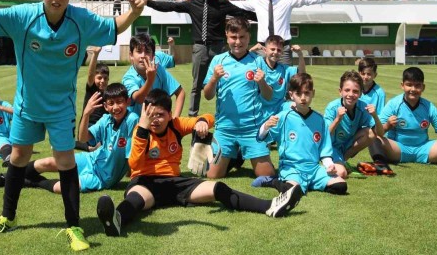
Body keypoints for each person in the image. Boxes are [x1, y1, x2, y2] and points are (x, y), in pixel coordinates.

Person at [0, 0, 145, 251]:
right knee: (19, 156)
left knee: (65, 162)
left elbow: (116, 26)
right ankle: (6, 218)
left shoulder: (81, 20)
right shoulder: (24, 16)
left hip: (61, 107)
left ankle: (73, 227)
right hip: (27, 106)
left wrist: (135, 11)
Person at [94, 90, 302, 238]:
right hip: (145, 182)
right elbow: (134, 164)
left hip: (176, 184)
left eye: (160, 115)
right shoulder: (141, 131)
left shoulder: (176, 125)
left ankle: (270, 206)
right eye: (151, 115)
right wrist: (142, 129)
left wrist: (202, 121)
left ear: (169, 115)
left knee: (218, 188)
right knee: (136, 199)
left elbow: (209, 118)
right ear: (144, 114)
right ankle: (116, 219)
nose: (155, 120)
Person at [0, 84, 140, 194]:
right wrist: (86, 114)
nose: (115, 107)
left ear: (127, 102)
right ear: (105, 106)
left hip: (102, 177)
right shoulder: (106, 120)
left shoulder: (132, 119)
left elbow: (132, 157)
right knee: (47, 162)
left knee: (61, 188)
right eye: (111, 103)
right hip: (92, 159)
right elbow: (83, 138)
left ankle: (32, 182)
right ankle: (5, 178)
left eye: (120, 102)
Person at [145, 0, 256, 116]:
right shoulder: (193, 3)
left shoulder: (222, 3)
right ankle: (192, 116)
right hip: (199, 48)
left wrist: (266, 19)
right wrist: (148, 2)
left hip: (218, 48)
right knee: (196, 85)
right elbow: (170, 6)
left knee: (223, 82)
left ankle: (224, 113)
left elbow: (242, 13)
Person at [368, 67, 437, 179]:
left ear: (423, 87)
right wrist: (387, 125)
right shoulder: (393, 104)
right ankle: (381, 166)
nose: (413, 89)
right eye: (409, 85)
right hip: (398, 149)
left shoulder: (428, 107)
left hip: (423, 149)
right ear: (402, 85)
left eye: (417, 85)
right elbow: (379, 132)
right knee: (373, 137)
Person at [203, 17, 274, 179]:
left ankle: (239, 153)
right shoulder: (218, 60)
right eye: (233, 37)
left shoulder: (258, 61)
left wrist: (262, 81)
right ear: (227, 37)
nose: (238, 42)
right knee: (212, 176)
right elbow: (207, 96)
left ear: (249, 37)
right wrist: (214, 78)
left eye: (242, 37)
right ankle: (233, 157)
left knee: (267, 176)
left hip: (251, 128)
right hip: (225, 129)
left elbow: (268, 96)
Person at [258, 73, 347, 195]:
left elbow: (325, 151)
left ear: (313, 93)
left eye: (307, 93)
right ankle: (274, 181)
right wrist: (266, 126)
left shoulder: (320, 120)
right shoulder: (283, 117)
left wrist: (329, 165)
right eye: (298, 94)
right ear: (291, 95)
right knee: (292, 191)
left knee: (341, 186)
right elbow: (261, 137)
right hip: (292, 168)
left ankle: (309, 183)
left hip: (314, 169)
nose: (303, 98)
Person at [235, 0, 346, 64]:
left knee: (285, 83)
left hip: (282, 49)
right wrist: (218, 2)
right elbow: (236, 5)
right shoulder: (257, 1)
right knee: (261, 83)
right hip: (262, 49)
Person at [323, 71, 385, 178]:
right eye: (347, 90)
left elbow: (379, 133)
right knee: (341, 174)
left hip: (346, 145)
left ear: (361, 93)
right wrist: (337, 119)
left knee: (370, 133)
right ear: (340, 91)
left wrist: (375, 116)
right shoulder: (332, 107)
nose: (351, 94)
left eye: (355, 91)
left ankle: (343, 160)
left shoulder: (362, 107)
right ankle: (323, 165)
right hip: (331, 147)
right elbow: (325, 136)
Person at [122, 33, 185, 120]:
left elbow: (180, 92)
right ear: (131, 55)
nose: (143, 56)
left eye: (147, 51)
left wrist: (174, 120)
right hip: (137, 127)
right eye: (139, 51)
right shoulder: (128, 78)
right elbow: (139, 99)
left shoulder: (159, 70)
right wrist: (150, 79)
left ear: (153, 56)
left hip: (158, 125)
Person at [253, 35, 306, 117]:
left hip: (280, 108)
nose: (275, 52)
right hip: (261, 109)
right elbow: (243, 63)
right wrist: (252, 49)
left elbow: (302, 75)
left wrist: (300, 54)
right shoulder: (258, 63)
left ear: (282, 52)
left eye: (279, 50)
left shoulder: (284, 69)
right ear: (265, 50)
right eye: (272, 49)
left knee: (300, 108)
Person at [82, 46, 109, 128]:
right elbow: (91, 74)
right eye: (99, 78)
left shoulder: (108, 94)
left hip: (102, 127)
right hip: (89, 126)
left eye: (105, 78)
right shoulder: (92, 89)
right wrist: (95, 54)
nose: (102, 81)